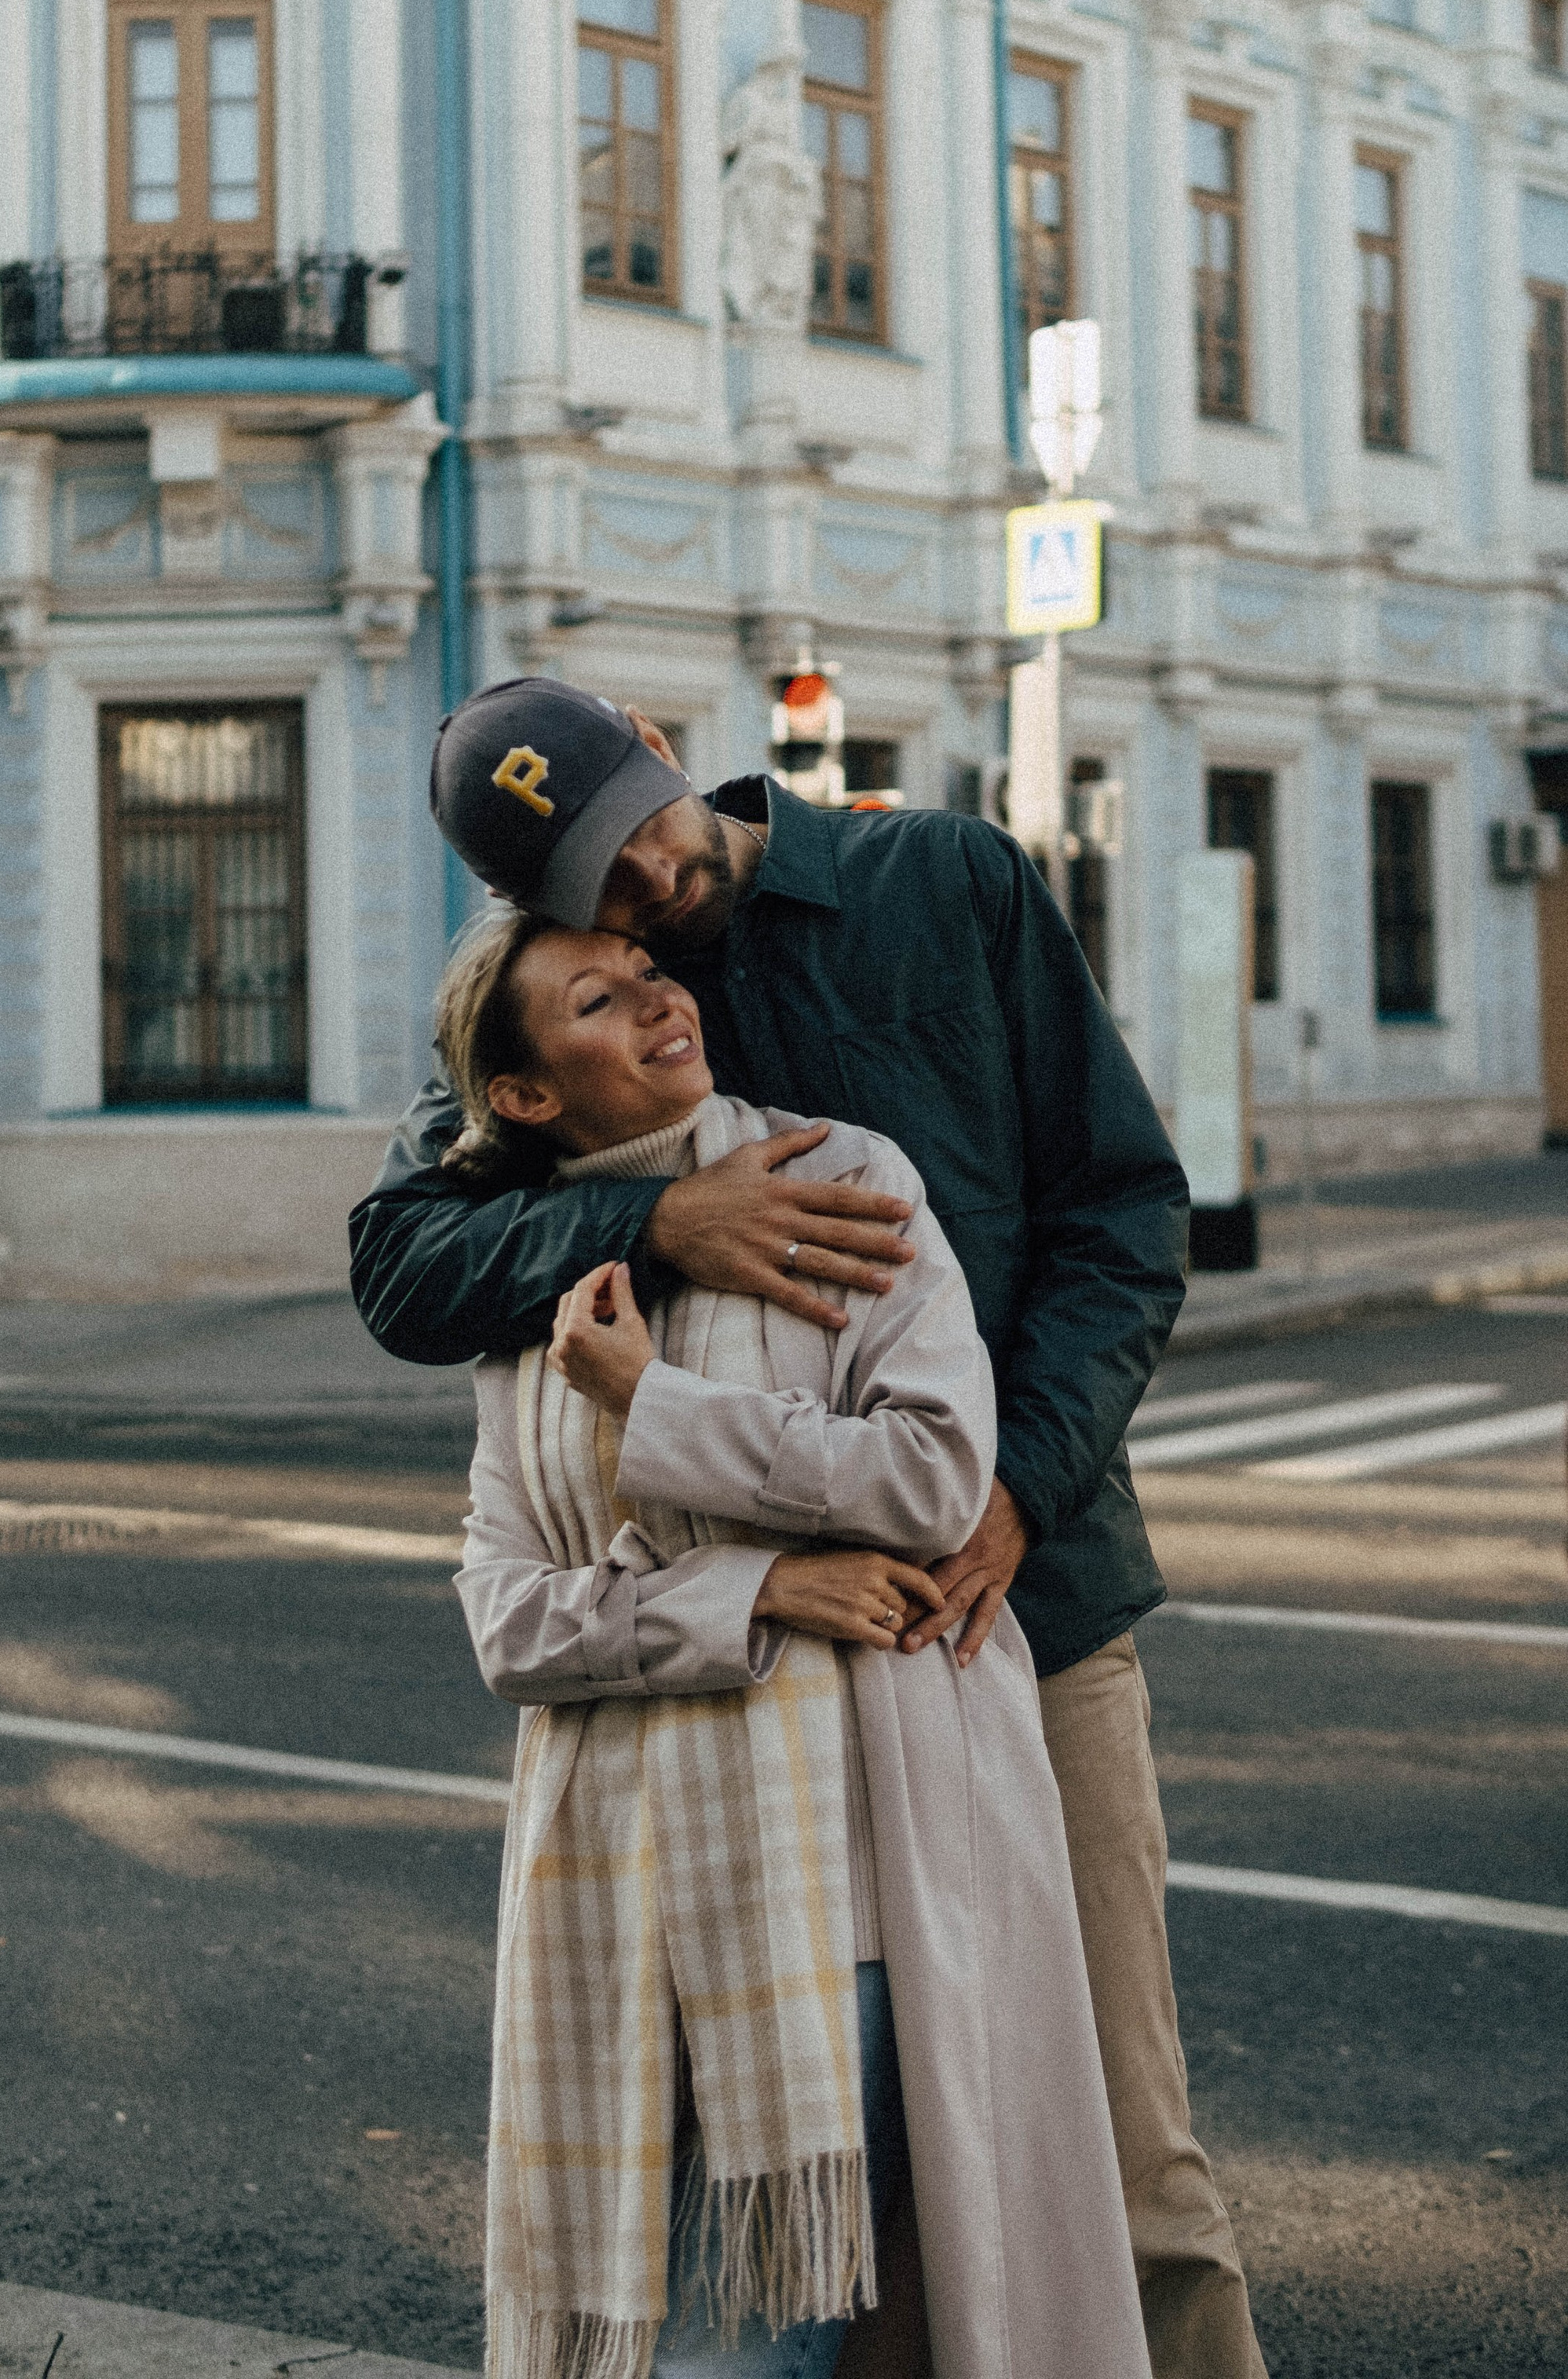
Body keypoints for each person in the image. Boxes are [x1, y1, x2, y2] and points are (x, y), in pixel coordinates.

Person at [351, 677, 1269, 2379]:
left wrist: (1013, 1492)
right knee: (821, 2209)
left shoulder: (944, 883)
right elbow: (404, 1262)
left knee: (1106, 2164)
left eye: (638, 836)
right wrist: (659, 1212)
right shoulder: (600, 999)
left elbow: (1122, 1214)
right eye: (588, 902)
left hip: (1017, 1620)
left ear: (659, 744)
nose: (638, 907)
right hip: (760, 1708)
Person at [443, 908, 1150, 2379]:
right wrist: (760, 1592)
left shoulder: (844, 1176)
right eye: (597, 999)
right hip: (604, 1874)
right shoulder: (541, 1286)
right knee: (645, 2338)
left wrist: (664, 1415)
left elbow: (936, 1476)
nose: (657, 1002)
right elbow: (507, 1621)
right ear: (523, 1094)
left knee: (756, 2345)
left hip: (845, 1849)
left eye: (650, 972)